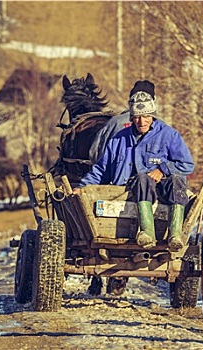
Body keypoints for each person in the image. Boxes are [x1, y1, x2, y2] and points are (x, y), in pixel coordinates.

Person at [73, 80, 194, 251]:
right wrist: (83, 187)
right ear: (131, 117)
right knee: (142, 179)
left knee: (176, 182)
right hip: (125, 192)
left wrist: (163, 169)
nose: (141, 121)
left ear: (153, 115)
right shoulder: (118, 138)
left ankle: (174, 234)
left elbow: (187, 164)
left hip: (161, 193)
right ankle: (147, 233)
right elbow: (101, 169)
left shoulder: (169, 135)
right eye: (137, 117)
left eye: (145, 116)